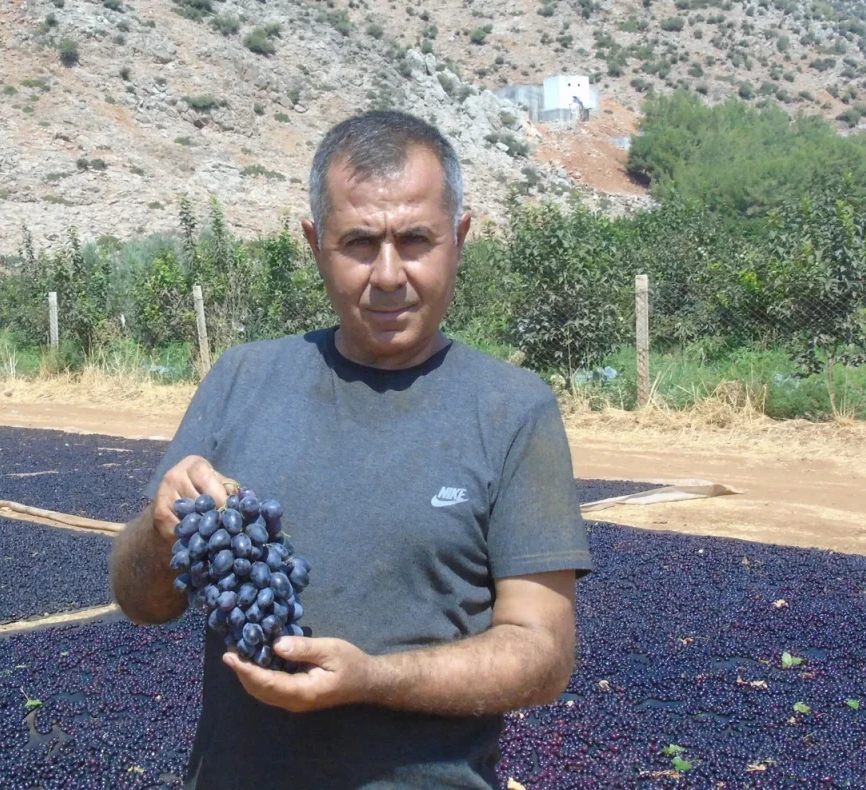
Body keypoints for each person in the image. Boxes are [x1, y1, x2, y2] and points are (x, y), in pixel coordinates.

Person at [110, 110, 592, 789]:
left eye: (416, 240)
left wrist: (372, 679)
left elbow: (543, 654)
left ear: (460, 237)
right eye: (360, 242)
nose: (389, 274)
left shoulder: (513, 409)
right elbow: (143, 602)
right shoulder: (242, 379)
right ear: (314, 243)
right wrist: (160, 537)